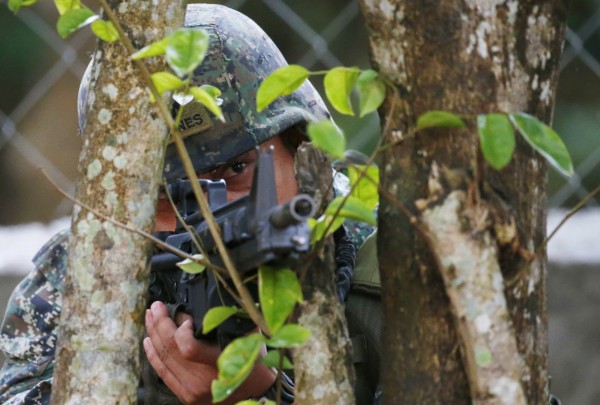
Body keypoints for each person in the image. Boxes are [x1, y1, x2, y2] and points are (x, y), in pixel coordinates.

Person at [0, 4, 381, 405]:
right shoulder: (88, 274)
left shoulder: (382, 265)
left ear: (302, 150)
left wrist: (267, 398)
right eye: (167, 194)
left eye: (236, 168)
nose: (207, 213)